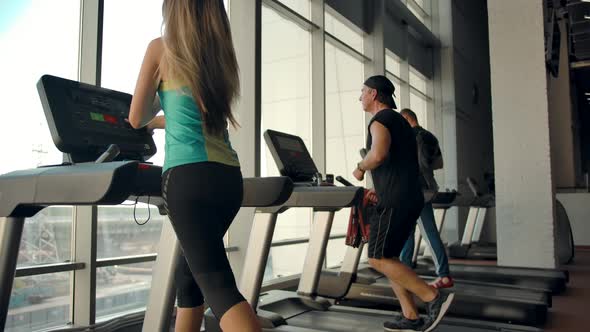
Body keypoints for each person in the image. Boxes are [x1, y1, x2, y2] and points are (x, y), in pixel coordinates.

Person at [128, 1, 260, 331]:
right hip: (228, 179)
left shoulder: (160, 49)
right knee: (190, 280)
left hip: (188, 178)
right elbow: (191, 113)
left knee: (219, 288)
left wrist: (154, 108)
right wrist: (162, 117)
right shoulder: (219, 58)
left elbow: (134, 117)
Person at [353, 75, 454, 332]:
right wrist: (378, 188)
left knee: (376, 258)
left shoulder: (380, 120)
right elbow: (397, 164)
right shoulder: (400, 122)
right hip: (409, 197)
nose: (360, 96)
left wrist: (360, 168)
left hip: (396, 200)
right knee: (390, 257)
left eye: (363, 92)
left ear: (374, 94)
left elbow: (378, 155)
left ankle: (433, 297)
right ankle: (410, 315)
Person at [399, 108, 454, 289]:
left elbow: (415, 164)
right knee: (407, 232)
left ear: (407, 119)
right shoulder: (430, 136)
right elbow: (438, 164)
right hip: (428, 187)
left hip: (416, 190)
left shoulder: (411, 137)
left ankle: (444, 275)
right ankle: (405, 272)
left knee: (428, 233)